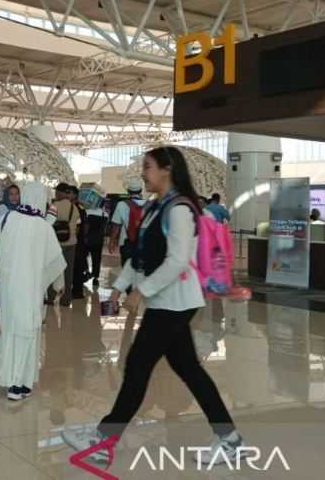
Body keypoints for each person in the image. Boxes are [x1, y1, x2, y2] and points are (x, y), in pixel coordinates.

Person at [63, 146, 243, 467]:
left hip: (176, 302)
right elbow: (141, 255)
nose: (142, 174)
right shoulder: (155, 207)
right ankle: (230, 439)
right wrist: (119, 287)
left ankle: (104, 439)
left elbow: (177, 261)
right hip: (166, 300)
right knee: (188, 370)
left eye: (147, 167)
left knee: (137, 366)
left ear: (166, 169)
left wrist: (141, 291)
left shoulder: (180, 210)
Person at [0, 182, 66, 401]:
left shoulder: (8, 218)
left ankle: (9, 377)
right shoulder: (42, 226)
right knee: (28, 332)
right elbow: (55, 259)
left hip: (10, 290)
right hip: (30, 290)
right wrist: (59, 285)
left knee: (11, 330)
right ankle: (19, 384)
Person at [108, 179, 147, 267]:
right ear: (140, 191)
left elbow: (116, 226)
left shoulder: (121, 204)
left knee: (126, 271)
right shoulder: (148, 204)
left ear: (128, 191)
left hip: (126, 244)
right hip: (143, 244)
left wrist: (112, 242)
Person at [52, 183, 80, 306]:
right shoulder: (75, 208)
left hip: (56, 243)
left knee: (53, 271)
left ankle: (52, 297)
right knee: (68, 272)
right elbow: (78, 224)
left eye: (57, 192)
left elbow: (48, 223)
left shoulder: (54, 206)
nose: (55, 194)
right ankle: (66, 299)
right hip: (71, 243)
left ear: (60, 193)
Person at [69, 186, 90, 299]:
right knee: (74, 265)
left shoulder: (79, 208)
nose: (68, 195)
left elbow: (84, 225)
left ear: (75, 195)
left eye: (70, 193)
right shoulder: (71, 206)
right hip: (75, 240)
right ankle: (74, 289)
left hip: (78, 241)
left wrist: (83, 238)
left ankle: (77, 291)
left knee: (77, 266)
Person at [84, 198, 108, 289]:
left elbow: (86, 226)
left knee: (83, 256)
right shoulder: (105, 214)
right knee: (96, 259)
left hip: (87, 239)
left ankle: (86, 271)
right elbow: (104, 228)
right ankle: (95, 278)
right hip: (98, 240)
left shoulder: (87, 211)